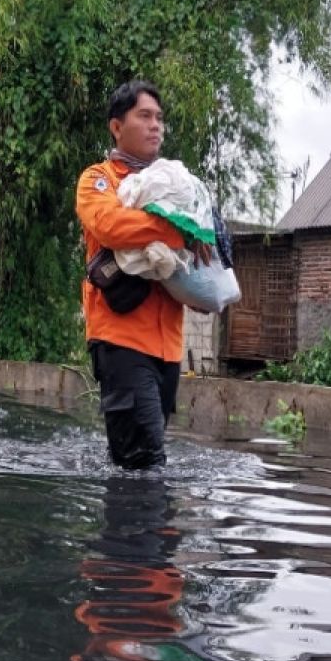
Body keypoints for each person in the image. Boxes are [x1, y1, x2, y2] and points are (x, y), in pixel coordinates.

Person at [75, 81, 212, 469]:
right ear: (117, 127)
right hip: (120, 340)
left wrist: (202, 287)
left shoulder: (175, 187)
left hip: (168, 347)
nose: (157, 126)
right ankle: (136, 530)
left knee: (136, 464)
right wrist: (175, 230)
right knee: (146, 466)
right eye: (145, 116)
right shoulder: (98, 179)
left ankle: (136, 528)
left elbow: (202, 249)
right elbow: (109, 225)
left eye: (160, 118)